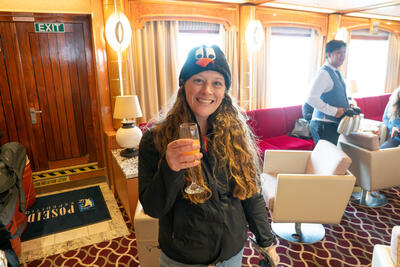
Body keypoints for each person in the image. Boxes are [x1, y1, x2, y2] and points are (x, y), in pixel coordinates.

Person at [138, 45, 277, 267]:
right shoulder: (155, 138)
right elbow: (153, 209)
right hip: (184, 258)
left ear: (225, 90)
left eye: (217, 83)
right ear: (184, 85)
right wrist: (169, 169)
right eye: (199, 80)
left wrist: (266, 241)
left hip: (231, 252)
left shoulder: (236, 135)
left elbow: (252, 193)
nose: (207, 91)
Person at [306, 40, 349, 145]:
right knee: (327, 159)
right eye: (339, 52)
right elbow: (311, 99)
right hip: (323, 125)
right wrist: (334, 111)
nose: (343, 56)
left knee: (332, 159)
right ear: (329, 55)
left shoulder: (335, 72)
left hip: (331, 125)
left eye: (344, 52)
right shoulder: (324, 73)